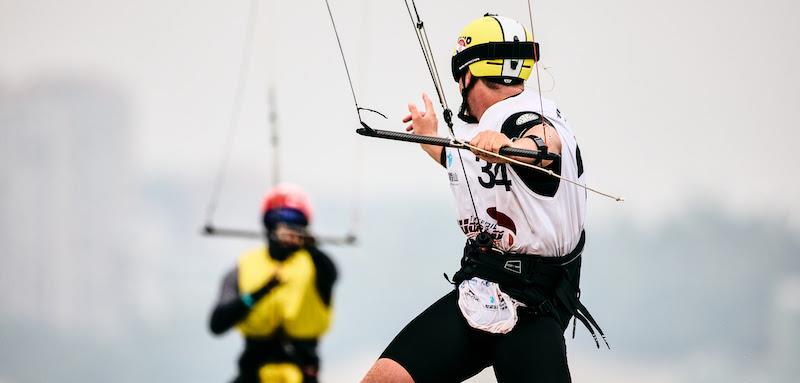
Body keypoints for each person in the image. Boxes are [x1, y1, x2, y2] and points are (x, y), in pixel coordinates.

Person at [362, 14, 604, 383]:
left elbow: (544, 145)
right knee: (384, 379)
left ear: (467, 75)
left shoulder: (525, 115)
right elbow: (462, 163)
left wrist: (511, 147)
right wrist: (429, 137)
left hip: (532, 308)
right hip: (478, 292)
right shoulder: (485, 126)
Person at [209, 184, 338, 383]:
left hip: (303, 372)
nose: (287, 227)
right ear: (267, 225)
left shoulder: (316, 265)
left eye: (296, 222)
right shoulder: (243, 267)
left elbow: (332, 273)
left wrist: (310, 245)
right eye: (277, 221)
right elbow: (217, 324)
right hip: (253, 372)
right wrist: (260, 293)